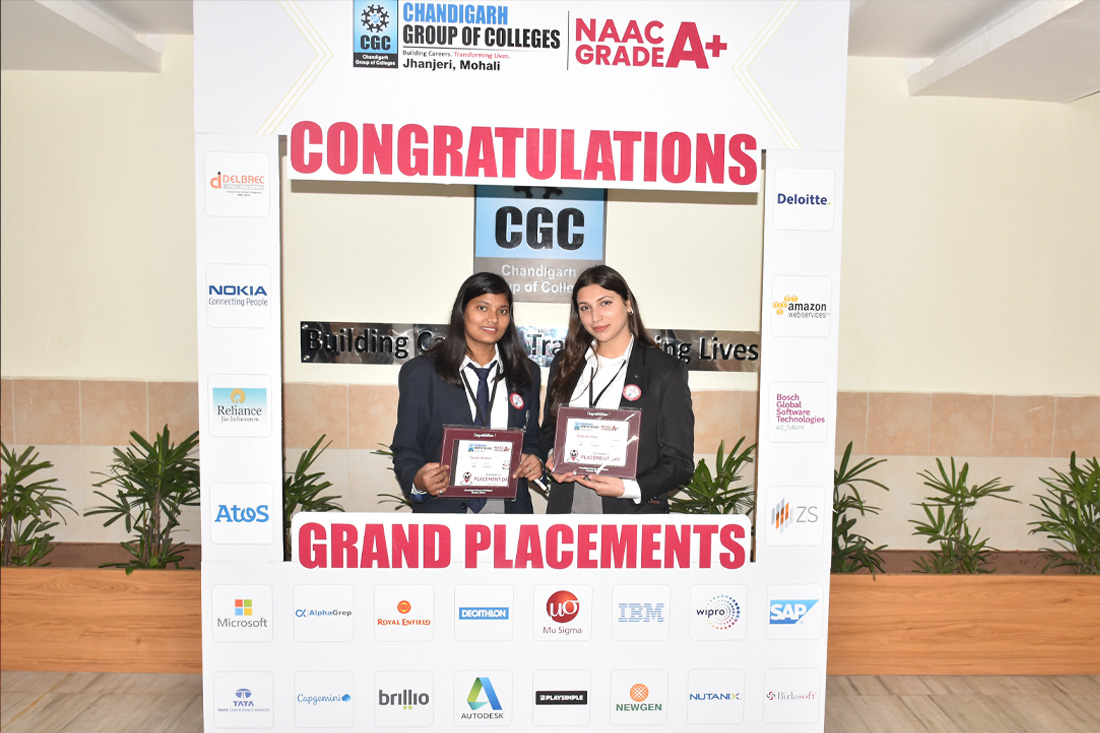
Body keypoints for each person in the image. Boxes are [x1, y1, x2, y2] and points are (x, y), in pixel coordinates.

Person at [540, 265, 694, 513]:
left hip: (630, 511)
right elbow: (549, 431)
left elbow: (680, 462)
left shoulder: (664, 371)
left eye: (605, 303)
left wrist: (629, 488)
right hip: (567, 506)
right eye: (585, 308)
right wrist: (553, 456)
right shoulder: (564, 364)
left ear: (628, 304)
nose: (595, 317)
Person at [391, 273, 543, 513]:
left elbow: (531, 438)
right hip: (443, 511)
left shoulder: (526, 373)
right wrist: (418, 479)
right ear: (462, 311)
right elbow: (406, 447)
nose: (493, 318)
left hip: (509, 510)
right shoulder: (421, 373)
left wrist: (535, 459)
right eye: (482, 308)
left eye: (503, 311)